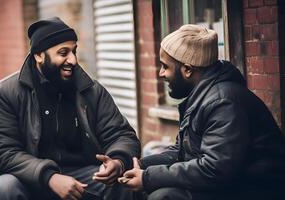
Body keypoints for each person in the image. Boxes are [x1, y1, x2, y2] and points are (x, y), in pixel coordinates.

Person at [0, 17, 141, 200]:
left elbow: (121, 135)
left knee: (123, 182)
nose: (73, 60)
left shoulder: (91, 91)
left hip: (81, 176)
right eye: (63, 53)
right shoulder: (5, 93)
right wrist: (50, 177)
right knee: (6, 187)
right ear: (39, 55)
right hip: (27, 178)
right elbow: (3, 151)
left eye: (74, 51)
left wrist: (117, 161)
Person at [119, 24, 285, 200]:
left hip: (256, 189)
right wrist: (135, 165)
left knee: (164, 196)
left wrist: (148, 177)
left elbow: (215, 168)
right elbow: (181, 153)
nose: (161, 73)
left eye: (165, 66)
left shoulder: (223, 102)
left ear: (188, 70)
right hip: (233, 183)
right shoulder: (203, 95)